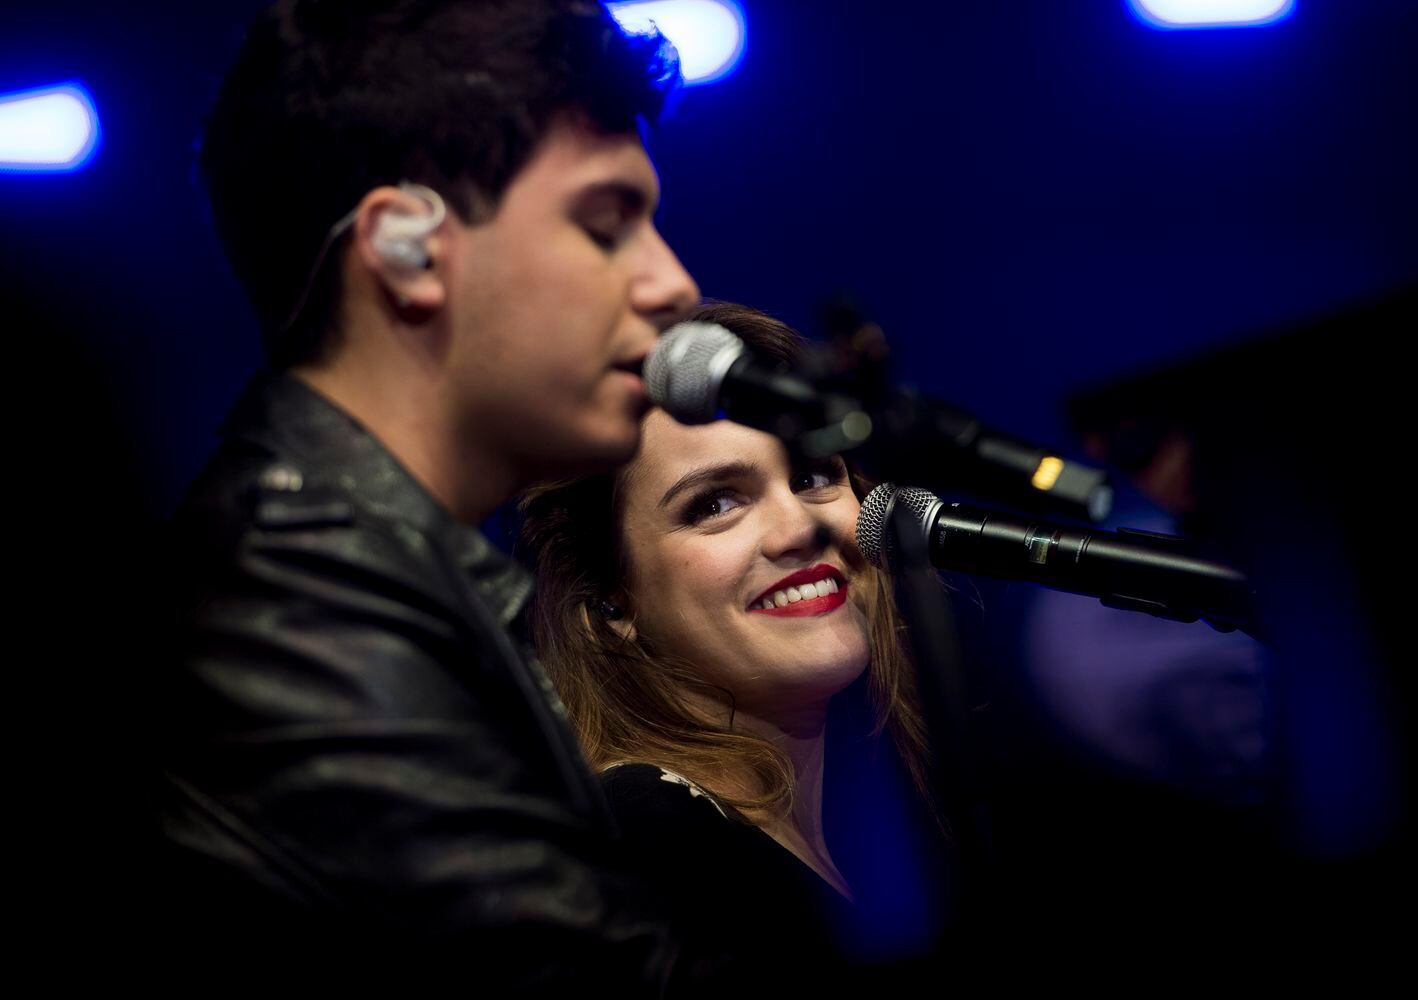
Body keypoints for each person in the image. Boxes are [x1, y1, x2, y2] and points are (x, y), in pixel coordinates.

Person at [159, 0, 700, 984]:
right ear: (401, 250)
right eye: (606, 225)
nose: (674, 284)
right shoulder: (289, 602)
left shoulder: (341, 565)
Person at [521, 303, 949, 987]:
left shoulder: (878, 817)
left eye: (813, 476)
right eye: (715, 504)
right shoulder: (648, 844)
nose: (797, 528)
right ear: (611, 601)